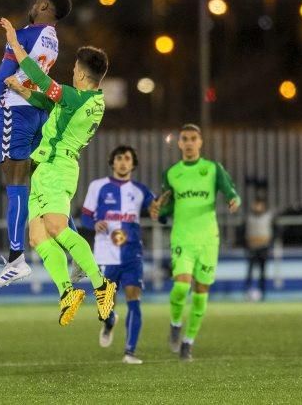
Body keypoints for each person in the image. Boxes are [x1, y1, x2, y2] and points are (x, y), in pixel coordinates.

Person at [0, 16, 116, 326]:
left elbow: (40, 78)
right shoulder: (89, 102)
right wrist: (22, 92)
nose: (72, 72)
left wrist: (15, 43)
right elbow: (49, 103)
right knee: (38, 238)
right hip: (42, 169)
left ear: (81, 72)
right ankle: (67, 292)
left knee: (54, 226)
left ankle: (101, 284)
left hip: (57, 166)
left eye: (74, 68)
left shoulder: (77, 97)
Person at [0, 0, 73, 289]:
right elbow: (30, 78)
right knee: (44, 186)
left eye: (37, 1)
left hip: (18, 113)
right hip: (38, 112)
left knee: (16, 183)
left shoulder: (25, 35)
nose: (33, 4)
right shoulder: (52, 38)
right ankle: (75, 251)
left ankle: (16, 260)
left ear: (43, 5)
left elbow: (3, 76)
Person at [150, 123, 241, 361]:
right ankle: (175, 323)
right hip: (182, 236)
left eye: (193, 138)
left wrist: (234, 200)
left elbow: (230, 191)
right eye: (185, 139)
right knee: (181, 286)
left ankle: (188, 343)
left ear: (200, 142)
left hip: (208, 239)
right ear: (179, 143)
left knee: (201, 292)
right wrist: (158, 212)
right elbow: (167, 205)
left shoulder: (212, 169)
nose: (189, 143)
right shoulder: (171, 173)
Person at [81, 145, 155, 364]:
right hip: (105, 255)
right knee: (105, 308)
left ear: (133, 164)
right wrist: (95, 223)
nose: (123, 162)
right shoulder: (98, 186)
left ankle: (129, 352)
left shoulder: (140, 190)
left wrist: (162, 207)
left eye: (128, 159)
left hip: (132, 254)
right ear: (112, 162)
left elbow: (158, 209)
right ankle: (109, 322)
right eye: (119, 158)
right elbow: (85, 216)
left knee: (134, 300)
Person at [244, 197, 274, 301]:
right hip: (252, 248)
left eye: (259, 205)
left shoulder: (268, 217)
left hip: (263, 248)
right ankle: (248, 292)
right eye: (255, 204)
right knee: (250, 272)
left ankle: (262, 293)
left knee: (262, 272)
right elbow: (244, 232)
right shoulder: (249, 217)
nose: (257, 207)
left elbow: (273, 231)